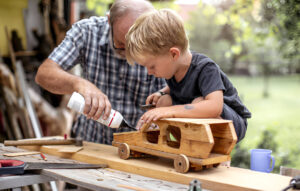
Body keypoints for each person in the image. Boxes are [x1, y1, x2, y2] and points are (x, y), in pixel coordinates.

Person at [35, 0, 166, 144]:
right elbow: (44, 74)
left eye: (138, 46)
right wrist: (80, 84)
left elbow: (176, 94)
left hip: (139, 148)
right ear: (109, 20)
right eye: (122, 45)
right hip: (90, 143)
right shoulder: (87, 31)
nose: (130, 54)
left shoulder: (160, 39)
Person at [125, 9, 251, 142]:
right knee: (164, 102)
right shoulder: (173, 69)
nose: (149, 72)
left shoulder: (205, 68)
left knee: (199, 102)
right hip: (201, 115)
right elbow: (182, 85)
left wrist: (171, 111)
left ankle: (215, 153)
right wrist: (161, 94)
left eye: (152, 66)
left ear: (173, 54)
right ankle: (186, 145)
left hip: (232, 122)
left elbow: (215, 107)